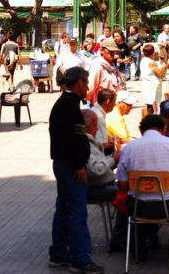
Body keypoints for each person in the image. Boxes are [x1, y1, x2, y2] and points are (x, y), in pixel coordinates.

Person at [113, 114, 169, 263]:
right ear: (163, 129)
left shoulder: (129, 148)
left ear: (141, 130)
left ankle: (139, 250)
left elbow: (122, 185)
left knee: (134, 199)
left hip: (138, 208)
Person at [48, 67, 103, 274]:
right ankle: (80, 259)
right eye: (86, 83)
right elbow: (74, 140)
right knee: (77, 212)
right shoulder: (70, 106)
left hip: (63, 163)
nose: (87, 88)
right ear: (79, 83)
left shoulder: (65, 103)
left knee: (63, 208)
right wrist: (79, 165)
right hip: (70, 166)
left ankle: (59, 253)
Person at [82, 109, 117, 200]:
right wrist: (113, 159)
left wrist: (113, 156)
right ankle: (121, 215)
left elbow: (100, 161)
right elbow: (96, 169)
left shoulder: (90, 141)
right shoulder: (85, 144)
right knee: (126, 193)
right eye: (94, 125)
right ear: (85, 127)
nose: (97, 129)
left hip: (103, 183)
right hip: (95, 187)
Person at [86, 39, 121, 105]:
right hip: (100, 107)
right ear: (102, 50)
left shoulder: (113, 66)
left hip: (112, 105)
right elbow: (90, 88)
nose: (112, 53)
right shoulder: (97, 66)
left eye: (114, 51)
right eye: (110, 51)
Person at [139, 44, 166, 114]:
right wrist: (165, 66)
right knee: (153, 104)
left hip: (147, 84)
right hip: (153, 86)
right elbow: (160, 74)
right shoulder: (151, 62)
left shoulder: (143, 60)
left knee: (149, 103)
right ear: (153, 52)